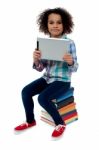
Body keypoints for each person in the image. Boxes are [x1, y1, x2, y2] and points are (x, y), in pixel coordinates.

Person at [14, 7, 78, 138]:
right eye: (51, 22)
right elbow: (41, 68)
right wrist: (36, 60)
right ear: (46, 25)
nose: (55, 26)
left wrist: (70, 61)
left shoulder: (70, 43)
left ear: (64, 24)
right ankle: (30, 121)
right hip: (47, 78)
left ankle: (60, 123)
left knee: (42, 98)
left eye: (59, 22)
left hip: (62, 80)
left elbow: (75, 68)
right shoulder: (44, 43)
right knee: (25, 92)